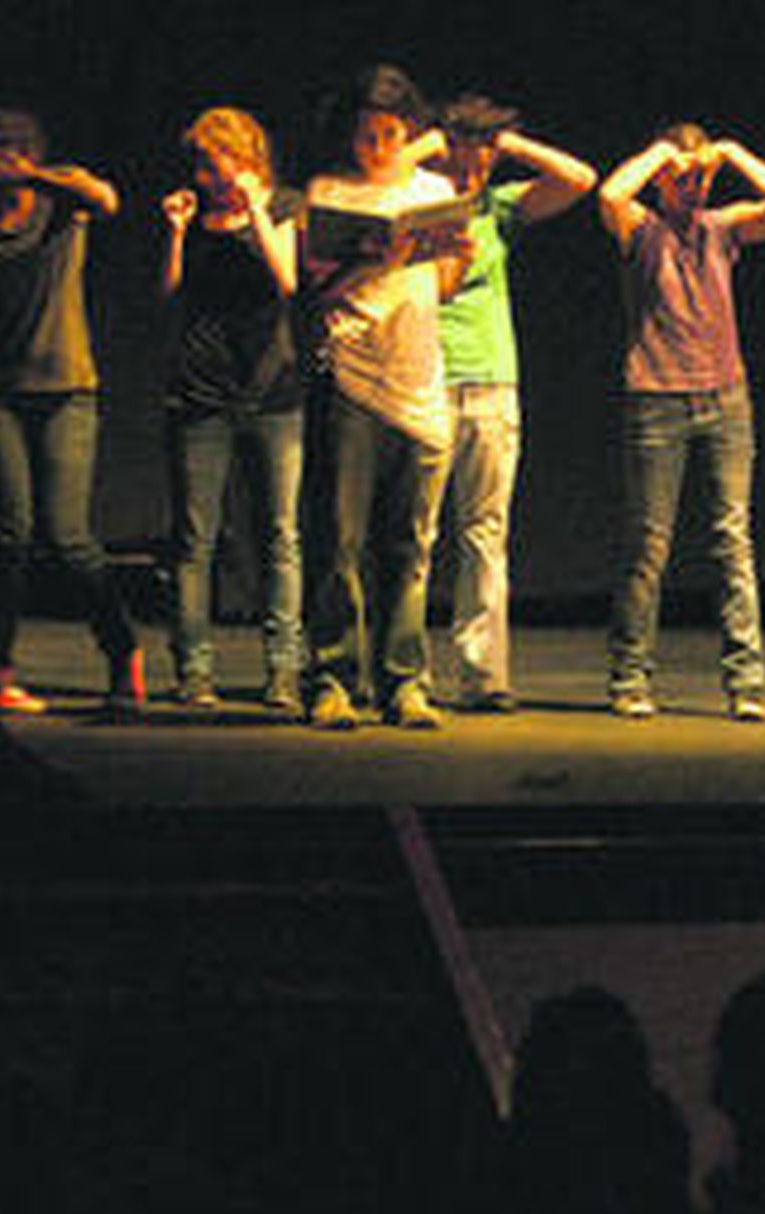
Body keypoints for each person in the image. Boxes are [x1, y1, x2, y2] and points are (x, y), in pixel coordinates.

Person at [599, 123, 765, 722]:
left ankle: (746, 682)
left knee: (732, 541)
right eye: (682, 178)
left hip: (726, 399)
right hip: (656, 399)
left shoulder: (723, 227)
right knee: (648, 547)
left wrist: (735, 153)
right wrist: (662, 154)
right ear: (663, 178)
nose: (693, 186)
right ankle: (630, 678)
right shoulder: (643, 228)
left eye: (701, 177)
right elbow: (611, 196)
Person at [299, 63, 469, 731]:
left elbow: (449, 283)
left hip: (419, 379)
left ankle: (404, 681)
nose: (376, 147)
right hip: (351, 376)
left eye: (389, 134)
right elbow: (320, 288)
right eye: (366, 135)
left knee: (410, 544)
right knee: (339, 541)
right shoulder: (330, 190)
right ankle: (332, 678)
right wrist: (387, 254)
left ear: (408, 132)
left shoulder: (432, 186)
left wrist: (451, 242)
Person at [0, 106, 144, 718]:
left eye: (19, 145)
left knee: (69, 537)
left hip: (67, 388)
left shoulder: (60, 201)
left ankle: (122, 653)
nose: (7, 154)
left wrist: (36, 174)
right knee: (8, 536)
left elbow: (108, 199)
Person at [433, 94, 597, 714]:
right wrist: (442, 146)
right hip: (426, 379)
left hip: (493, 382)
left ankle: (483, 677)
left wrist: (506, 146)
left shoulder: (499, 208)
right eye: (462, 154)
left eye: (482, 158)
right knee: (414, 536)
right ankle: (403, 675)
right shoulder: (416, 204)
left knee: (484, 535)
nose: (471, 169)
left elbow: (579, 179)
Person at [159, 106, 306, 718]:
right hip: (202, 392)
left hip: (273, 392)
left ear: (244, 157)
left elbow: (287, 281)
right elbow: (169, 293)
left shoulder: (284, 205)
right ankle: (194, 671)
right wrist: (172, 232)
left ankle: (283, 673)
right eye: (199, 165)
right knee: (196, 540)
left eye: (213, 162)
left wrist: (256, 215)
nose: (205, 175)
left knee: (281, 535)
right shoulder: (192, 216)